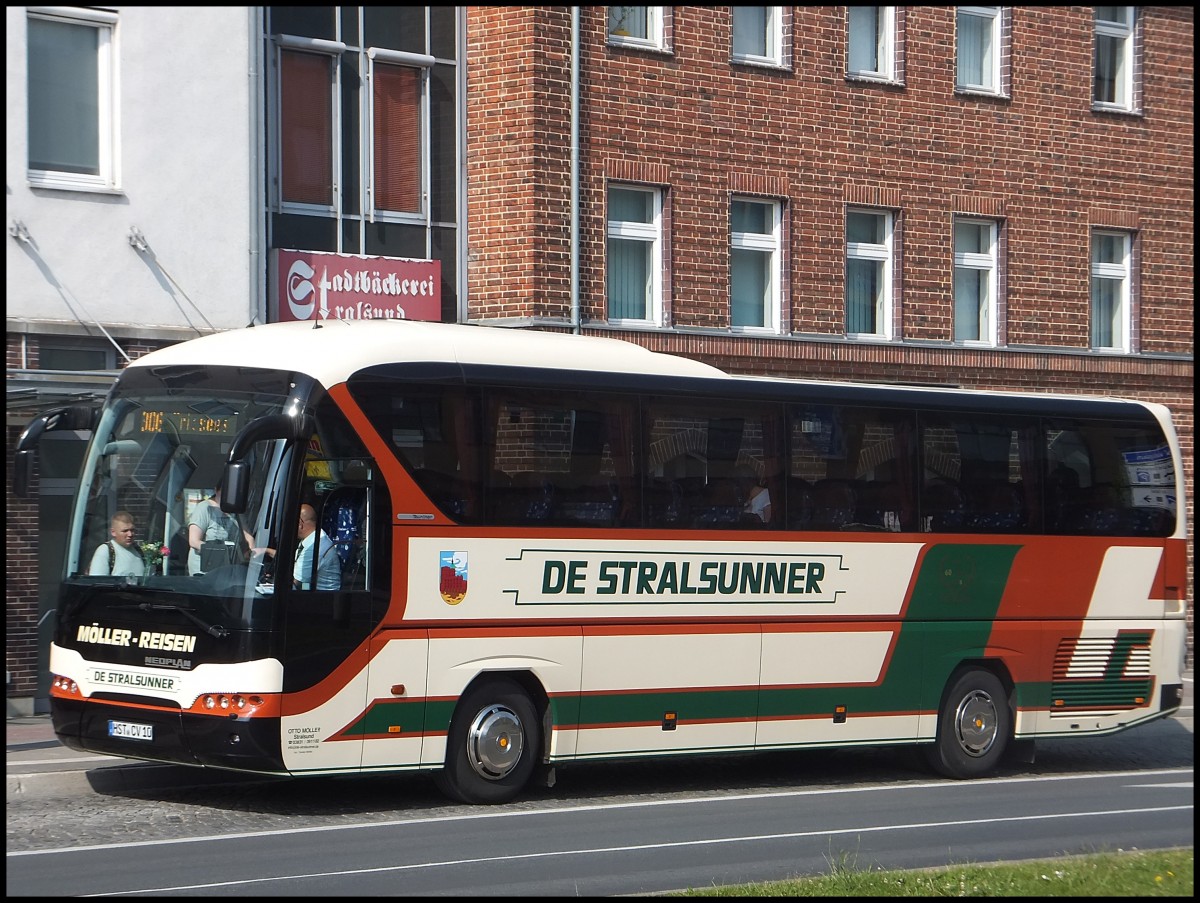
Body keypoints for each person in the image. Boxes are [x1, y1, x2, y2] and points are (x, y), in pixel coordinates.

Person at [187, 481, 253, 575]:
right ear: (216, 490)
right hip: (204, 569)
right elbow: (194, 541)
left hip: (227, 568)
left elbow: (248, 535)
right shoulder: (205, 508)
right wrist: (222, 552)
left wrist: (252, 554)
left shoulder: (235, 510)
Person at [293, 503, 341, 590]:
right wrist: (266, 551)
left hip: (322, 597)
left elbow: (296, 583)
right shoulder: (310, 539)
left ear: (300, 523)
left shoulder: (314, 546)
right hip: (310, 588)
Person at [88, 511, 146, 578]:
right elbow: (98, 582)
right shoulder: (105, 551)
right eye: (125, 531)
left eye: (132, 530)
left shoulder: (138, 550)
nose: (130, 534)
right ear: (113, 532)